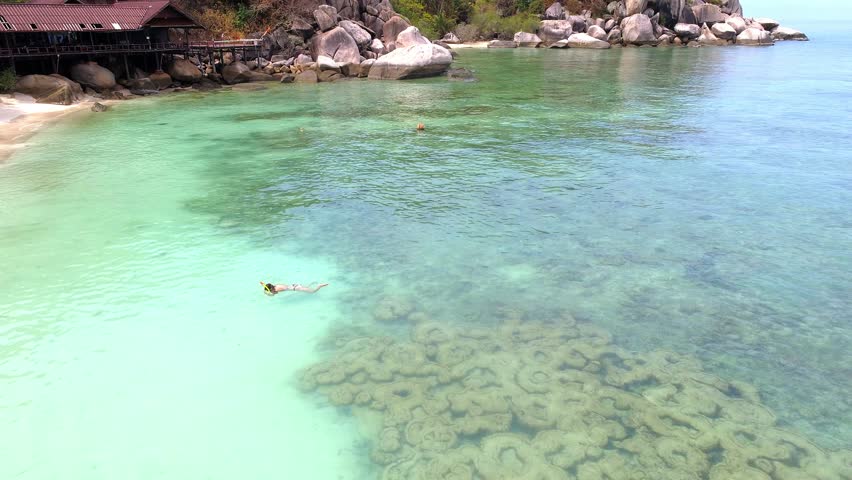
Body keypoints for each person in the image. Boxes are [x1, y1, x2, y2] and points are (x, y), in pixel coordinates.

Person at [260, 281, 328, 296]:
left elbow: (274, 294)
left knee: (313, 291)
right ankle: (313, 283)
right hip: (295, 285)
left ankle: (320, 286)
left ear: (271, 289)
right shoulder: (276, 286)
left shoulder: (276, 289)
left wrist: (267, 293)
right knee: (307, 288)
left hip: (297, 288)